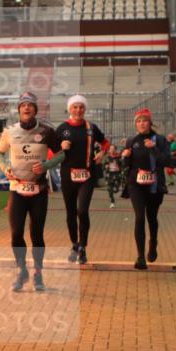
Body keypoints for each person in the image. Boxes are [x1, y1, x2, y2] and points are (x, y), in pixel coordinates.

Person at [0, 92, 66, 291]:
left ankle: (38, 273)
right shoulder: (10, 131)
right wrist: (5, 168)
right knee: (16, 233)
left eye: (30, 105)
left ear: (35, 109)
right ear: (19, 109)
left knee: (37, 234)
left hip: (39, 191)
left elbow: (61, 155)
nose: (27, 108)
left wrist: (46, 165)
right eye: (23, 105)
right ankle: (22, 270)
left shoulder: (47, 131)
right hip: (17, 189)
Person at [54, 95, 108, 264]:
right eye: (75, 107)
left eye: (81, 107)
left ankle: (83, 245)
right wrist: (60, 147)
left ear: (85, 109)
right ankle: (74, 244)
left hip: (87, 175)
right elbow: (50, 151)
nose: (78, 110)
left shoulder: (91, 127)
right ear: (70, 109)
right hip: (67, 176)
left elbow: (105, 143)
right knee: (70, 212)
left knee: (82, 211)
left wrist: (102, 152)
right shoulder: (62, 128)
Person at [122, 108, 176, 270]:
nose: (141, 124)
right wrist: (124, 157)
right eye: (138, 121)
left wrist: (154, 148)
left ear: (150, 123)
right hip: (136, 184)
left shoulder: (160, 140)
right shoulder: (132, 141)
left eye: (144, 120)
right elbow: (126, 165)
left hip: (154, 186)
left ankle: (153, 243)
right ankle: (140, 257)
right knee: (139, 217)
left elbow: (169, 162)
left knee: (151, 217)